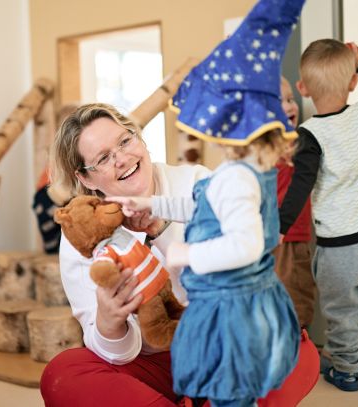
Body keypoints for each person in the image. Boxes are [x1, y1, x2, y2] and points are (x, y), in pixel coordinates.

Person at [109, 1, 307, 405]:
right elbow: (205, 208)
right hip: (245, 303)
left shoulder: (236, 178)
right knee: (234, 393)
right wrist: (152, 204)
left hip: (231, 312)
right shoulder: (249, 168)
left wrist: (185, 253)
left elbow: (245, 245)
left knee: (229, 392)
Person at [41, 102, 210, 406]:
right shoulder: (83, 231)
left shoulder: (196, 184)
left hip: (215, 339)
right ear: (86, 179)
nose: (122, 159)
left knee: (280, 340)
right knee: (63, 372)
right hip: (153, 362)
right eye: (103, 158)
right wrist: (109, 322)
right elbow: (115, 354)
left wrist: (160, 232)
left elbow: (231, 282)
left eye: (124, 141)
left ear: (139, 138)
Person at [279, 39, 358, 392]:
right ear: (352, 83)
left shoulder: (309, 135)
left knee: (343, 313)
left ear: (303, 88)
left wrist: (281, 227)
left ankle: (347, 371)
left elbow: (300, 187)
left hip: (339, 247)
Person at [273, 77, 316, 329]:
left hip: (289, 236)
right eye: (281, 101)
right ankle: (294, 344)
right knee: (292, 298)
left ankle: (297, 342)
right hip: (279, 238)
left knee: (295, 295)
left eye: (291, 99)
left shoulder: (298, 141)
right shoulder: (266, 148)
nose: (291, 105)